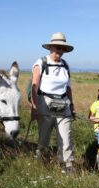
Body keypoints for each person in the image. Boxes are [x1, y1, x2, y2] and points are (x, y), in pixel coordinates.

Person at [31, 32, 76, 173]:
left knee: (65, 136)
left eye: (62, 49)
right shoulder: (41, 63)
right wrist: (34, 106)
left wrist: (72, 104)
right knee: (44, 137)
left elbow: (68, 87)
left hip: (63, 102)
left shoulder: (65, 65)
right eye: (57, 47)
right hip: (44, 102)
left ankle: (67, 164)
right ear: (50, 47)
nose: (60, 51)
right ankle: (40, 162)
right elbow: (35, 85)